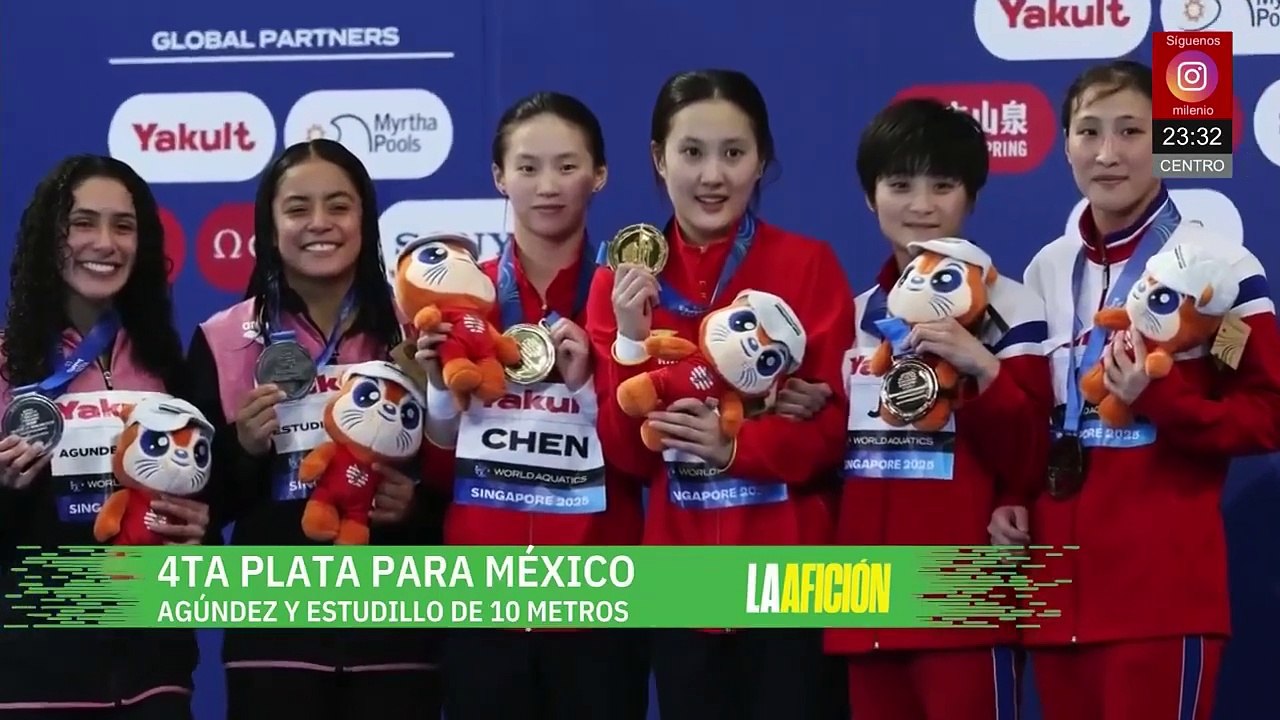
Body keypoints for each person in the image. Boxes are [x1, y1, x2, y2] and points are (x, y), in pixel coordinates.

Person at [1012, 60, 1280, 720]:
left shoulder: (1220, 270)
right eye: (1089, 131)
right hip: (1056, 597)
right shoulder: (1046, 268)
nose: (1107, 153)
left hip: (1160, 599)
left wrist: (1162, 399)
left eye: (1131, 131)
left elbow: (1265, 415)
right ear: (1065, 144)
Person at [584, 68, 855, 720]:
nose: (713, 175)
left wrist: (735, 446)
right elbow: (627, 456)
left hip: (795, 572)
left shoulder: (807, 265)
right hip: (681, 577)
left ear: (761, 160)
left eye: (734, 153)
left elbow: (831, 433)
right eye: (692, 152)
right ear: (659, 159)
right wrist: (630, 341)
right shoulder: (621, 282)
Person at [782, 98, 1050, 719]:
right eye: (900, 185)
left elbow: (1031, 458)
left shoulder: (1014, 309)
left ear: (972, 196)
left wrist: (982, 368)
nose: (921, 205)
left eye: (943, 186)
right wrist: (809, 409)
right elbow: (831, 458)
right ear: (869, 197)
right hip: (865, 603)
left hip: (965, 601)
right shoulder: (853, 316)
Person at [184, 139, 443, 720]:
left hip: (397, 631)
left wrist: (415, 505)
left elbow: (461, 477)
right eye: (298, 208)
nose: (319, 223)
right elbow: (197, 508)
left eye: (339, 206)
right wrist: (242, 448)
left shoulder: (417, 335)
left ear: (365, 221)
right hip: (274, 635)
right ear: (269, 227)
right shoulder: (223, 340)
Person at [412, 91, 649, 720]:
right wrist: (438, 388)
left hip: (598, 601)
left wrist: (587, 389)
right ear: (499, 177)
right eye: (527, 167)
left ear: (600, 175)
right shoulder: (463, 299)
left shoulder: (628, 302)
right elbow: (438, 475)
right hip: (482, 602)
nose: (547, 186)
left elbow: (643, 462)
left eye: (568, 166)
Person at [0, 155, 210, 717]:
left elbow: (199, 521)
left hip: (154, 679)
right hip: (35, 678)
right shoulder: (6, 365)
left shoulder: (166, 366)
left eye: (123, 226)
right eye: (83, 223)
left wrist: (198, 532)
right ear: (51, 238)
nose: (105, 243)